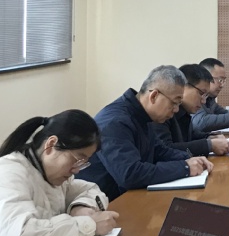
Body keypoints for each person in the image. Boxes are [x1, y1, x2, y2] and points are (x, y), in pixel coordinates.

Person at [77, 65, 212, 200]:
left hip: (131, 196)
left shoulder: (142, 115)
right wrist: (185, 167)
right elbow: (130, 174)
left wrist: (189, 158)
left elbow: (159, 150)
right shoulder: (115, 121)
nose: (176, 110)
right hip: (105, 202)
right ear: (154, 96)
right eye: (174, 103)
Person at [151, 63, 229, 157]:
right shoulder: (163, 110)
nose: (203, 101)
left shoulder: (184, 112)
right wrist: (209, 145)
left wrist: (210, 137)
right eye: (201, 93)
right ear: (183, 86)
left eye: (206, 96)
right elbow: (165, 150)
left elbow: (192, 136)